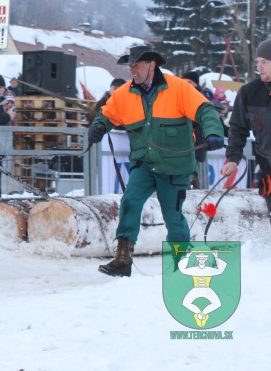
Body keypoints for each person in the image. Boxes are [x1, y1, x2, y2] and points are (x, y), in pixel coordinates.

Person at [88, 45, 224, 277]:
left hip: (175, 165)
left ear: (152, 65)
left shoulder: (178, 88)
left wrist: (213, 132)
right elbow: (108, 113)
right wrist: (99, 125)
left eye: (137, 65)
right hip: (144, 163)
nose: (133, 70)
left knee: (173, 215)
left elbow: (204, 110)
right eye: (130, 65)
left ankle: (181, 261)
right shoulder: (124, 93)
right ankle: (123, 260)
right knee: (130, 201)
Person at [221, 39, 271, 226]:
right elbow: (238, 128)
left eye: (265, 62)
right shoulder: (249, 92)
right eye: (258, 61)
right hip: (268, 168)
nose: (259, 67)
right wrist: (233, 158)